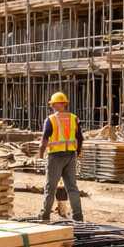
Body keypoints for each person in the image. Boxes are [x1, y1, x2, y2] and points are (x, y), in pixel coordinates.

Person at [37, 92, 84, 223]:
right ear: (65, 103)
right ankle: (78, 216)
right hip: (70, 156)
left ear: (52, 105)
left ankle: (45, 214)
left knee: (50, 188)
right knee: (72, 187)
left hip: (55, 157)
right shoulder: (73, 118)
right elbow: (80, 137)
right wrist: (79, 151)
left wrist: (40, 155)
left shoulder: (51, 119)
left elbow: (44, 140)